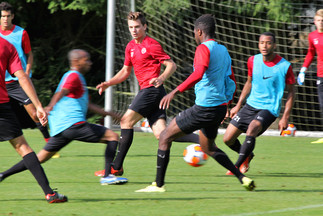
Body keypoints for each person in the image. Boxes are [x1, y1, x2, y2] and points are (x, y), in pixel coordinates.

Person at [135, 14, 255, 193]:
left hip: (204, 108)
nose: (194, 35)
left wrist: (175, 92)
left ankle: (158, 185)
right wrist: (226, 104)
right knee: (209, 147)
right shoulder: (223, 50)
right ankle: (242, 177)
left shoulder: (202, 49)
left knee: (165, 136)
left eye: (194, 32)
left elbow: (198, 74)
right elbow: (231, 80)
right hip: (219, 108)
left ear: (199, 31)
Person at [95, 11, 199, 181]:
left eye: (137, 27)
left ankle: (116, 168)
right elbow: (125, 71)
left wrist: (161, 77)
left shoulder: (152, 45)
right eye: (131, 27)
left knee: (125, 121)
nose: (134, 30)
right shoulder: (130, 46)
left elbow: (171, 65)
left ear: (145, 26)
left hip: (151, 90)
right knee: (162, 134)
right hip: (154, 93)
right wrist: (108, 83)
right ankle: (202, 139)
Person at [0, 49, 128, 186]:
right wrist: (49, 107)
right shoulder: (73, 76)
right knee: (112, 137)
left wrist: (110, 114)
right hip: (73, 124)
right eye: (87, 60)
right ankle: (108, 176)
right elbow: (61, 92)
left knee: (39, 158)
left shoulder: (75, 77)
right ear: (76, 62)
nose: (90, 63)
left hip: (61, 127)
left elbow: (89, 105)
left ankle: (3, 174)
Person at [0, 36, 67, 203]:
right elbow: (22, 77)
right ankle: (49, 193)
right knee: (23, 147)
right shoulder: (6, 46)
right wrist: (38, 106)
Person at [223, 32, 295, 175]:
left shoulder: (285, 66)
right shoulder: (252, 61)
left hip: (269, 108)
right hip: (250, 105)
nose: (265, 46)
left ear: (274, 45)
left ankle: (236, 166)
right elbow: (249, 82)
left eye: (268, 43)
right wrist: (238, 105)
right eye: (262, 42)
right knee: (227, 139)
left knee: (252, 128)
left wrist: (285, 116)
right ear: (258, 44)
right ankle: (247, 155)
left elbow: (291, 92)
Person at [0, 2, 52, 146]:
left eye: (8, 16)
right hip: (1, 83)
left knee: (35, 114)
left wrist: (27, 71)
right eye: (3, 16)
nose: (5, 19)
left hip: (17, 83)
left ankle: (49, 142)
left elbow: (29, 54)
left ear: (13, 17)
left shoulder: (21, 33)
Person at [297, 9, 323, 143]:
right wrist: (303, 70)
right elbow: (311, 54)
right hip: (321, 76)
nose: (321, 23)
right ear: (315, 21)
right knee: (322, 104)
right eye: (319, 20)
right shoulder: (312, 36)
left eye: (322, 20)